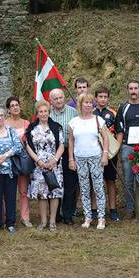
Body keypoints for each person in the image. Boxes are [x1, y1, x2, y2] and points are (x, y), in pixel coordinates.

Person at [114, 80, 139, 218]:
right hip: (127, 148)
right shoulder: (123, 108)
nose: (133, 91)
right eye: (130, 88)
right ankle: (130, 209)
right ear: (127, 90)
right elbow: (119, 129)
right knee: (128, 180)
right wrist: (118, 148)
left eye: (135, 88)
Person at [68, 93, 108, 230]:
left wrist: (105, 155)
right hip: (80, 158)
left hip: (95, 156)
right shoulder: (74, 122)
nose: (88, 105)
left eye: (91, 102)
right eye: (86, 102)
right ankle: (88, 217)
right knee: (84, 188)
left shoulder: (98, 120)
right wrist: (71, 159)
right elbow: (71, 141)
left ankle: (101, 218)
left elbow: (106, 138)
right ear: (80, 104)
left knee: (98, 188)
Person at [25, 100, 65, 231]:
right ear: (37, 113)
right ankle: (43, 221)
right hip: (38, 166)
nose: (43, 114)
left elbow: (61, 145)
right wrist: (38, 161)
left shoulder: (56, 127)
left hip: (54, 165)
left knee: (54, 192)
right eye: (40, 111)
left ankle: (53, 221)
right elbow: (28, 147)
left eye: (45, 111)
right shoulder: (31, 128)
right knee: (41, 194)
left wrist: (54, 160)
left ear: (49, 112)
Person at [48, 88, 77, 224]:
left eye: (61, 97)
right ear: (50, 101)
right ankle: (56, 213)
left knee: (70, 184)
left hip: (69, 151)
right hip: (52, 154)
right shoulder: (47, 114)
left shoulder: (73, 112)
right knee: (54, 183)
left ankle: (68, 215)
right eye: (56, 98)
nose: (59, 100)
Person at [4, 96, 31, 227]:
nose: (15, 107)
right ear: (8, 109)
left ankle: (25, 217)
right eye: (12, 105)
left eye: (17, 105)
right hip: (8, 160)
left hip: (22, 160)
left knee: (23, 190)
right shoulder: (4, 124)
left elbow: (30, 142)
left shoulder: (26, 123)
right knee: (8, 190)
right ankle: (7, 216)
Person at [92, 86, 119, 222]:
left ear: (108, 98)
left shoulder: (113, 113)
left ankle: (113, 209)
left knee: (110, 180)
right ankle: (95, 209)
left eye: (105, 97)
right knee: (95, 181)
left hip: (110, 152)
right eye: (100, 97)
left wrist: (117, 148)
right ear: (95, 98)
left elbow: (119, 132)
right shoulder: (90, 113)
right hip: (94, 151)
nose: (102, 99)